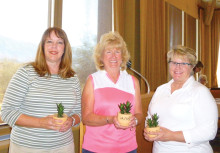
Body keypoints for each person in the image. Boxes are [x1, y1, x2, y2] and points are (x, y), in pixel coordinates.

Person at [1, 27, 81, 153]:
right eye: (49, 41)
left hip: (64, 147)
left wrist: (72, 120)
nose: (54, 46)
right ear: (42, 46)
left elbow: (78, 112)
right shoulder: (26, 73)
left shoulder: (72, 77)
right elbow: (7, 112)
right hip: (27, 147)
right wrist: (40, 122)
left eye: (59, 42)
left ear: (65, 48)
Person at [143, 45, 218, 153]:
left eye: (183, 63)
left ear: (192, 66)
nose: (177, 67)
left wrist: (171, 136)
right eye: (173, 63)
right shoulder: (160, 90)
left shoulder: (200, 92)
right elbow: (150, 117)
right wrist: (149, 131)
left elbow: (209, 131)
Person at [81, 31, 143, 153]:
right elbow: (86, 118)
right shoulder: (93, 80)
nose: (113, 56)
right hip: (96, 148)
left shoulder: (133, 81)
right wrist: (111, 119)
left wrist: (134, 120)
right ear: (101, 57)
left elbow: (139, 114)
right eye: (108, 52)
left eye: (117, 51)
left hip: (128, 148)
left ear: (123, 56)